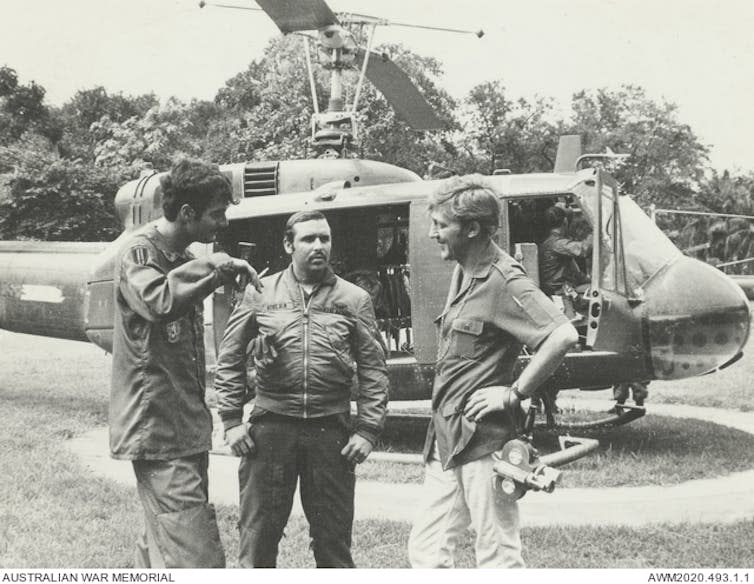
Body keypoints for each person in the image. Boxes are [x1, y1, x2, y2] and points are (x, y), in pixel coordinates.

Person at [407, 176, 578, 568]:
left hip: (485, 442)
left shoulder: (505, 280)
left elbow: (562, 335)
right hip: (448, 439)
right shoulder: (464, 270)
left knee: (498, 556)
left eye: (440, 225)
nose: (433, 234)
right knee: (427, 552)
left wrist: (513, 393)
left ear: (472, 228)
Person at [213, 210, 389, 568]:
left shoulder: (354, 299)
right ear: (288, 244)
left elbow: (374, 368)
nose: (318, 246)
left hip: (331, 433)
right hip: (271, 428)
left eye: (324, 238)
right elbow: (229, 357)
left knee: (333, 544)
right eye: (309, 239)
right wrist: (231, 421)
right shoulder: (259, 293)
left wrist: (368, 429)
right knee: (258, 541)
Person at [109, 158, 261, 568]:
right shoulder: (139, 253)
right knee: (198, 560)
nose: (224, 223)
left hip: (184, 429)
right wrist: (216, 270)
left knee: (161, 548)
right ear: (188, 213)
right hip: (158, 431)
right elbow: (158, 300)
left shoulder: (183, 255)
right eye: (218, 213)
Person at [539, 204, 592, 297]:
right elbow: (584, 249)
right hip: (560, 292)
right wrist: (597, 232)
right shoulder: (558, 244)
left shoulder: (549, 242)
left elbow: (577, 274)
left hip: (560, 289)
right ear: (565, 221)